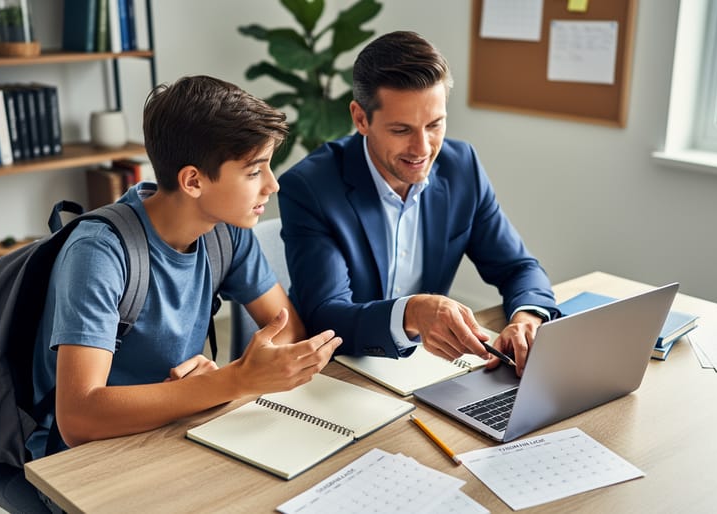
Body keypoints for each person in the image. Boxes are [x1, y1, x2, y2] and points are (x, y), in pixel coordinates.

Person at [28, 75, 342, 462]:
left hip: (178, 428)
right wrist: (232, 380)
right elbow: (78, 419)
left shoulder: (225, 231)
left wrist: (234, 377)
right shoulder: (100, 253)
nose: (272, 186)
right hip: (85, 457)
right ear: (193, 181)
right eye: (254, 171)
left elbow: (288, 328)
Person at [278, 31, 556, 376]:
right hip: (337, 373)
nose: (422, 148)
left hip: (424, 369)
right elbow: (325, 314)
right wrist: (410, 313)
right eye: (401, 130)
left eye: (435, 125)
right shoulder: (310, 187)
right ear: (361, 118)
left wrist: (526, 318)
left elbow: (518, 267)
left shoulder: (461, 167)